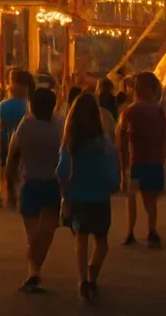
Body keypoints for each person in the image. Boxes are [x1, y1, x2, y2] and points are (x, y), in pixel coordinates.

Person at [58, 92, 117, 301]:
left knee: (81, 240)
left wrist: (65, 193)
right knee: (102, 242)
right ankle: (93, 273)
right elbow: (112, 168)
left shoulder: (71, 142)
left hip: (78, 197)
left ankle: (82, 280)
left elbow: (62, 170)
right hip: (100, 198)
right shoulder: (103, 141)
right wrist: (113, 185)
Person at [5, 86, 63, 293]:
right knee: (45, 235)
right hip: (53, 184)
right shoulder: (60, 125)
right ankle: (34, 272)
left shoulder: (26, 125)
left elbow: (12, 157)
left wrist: (9, 188)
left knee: (33, 235)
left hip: (30, 183)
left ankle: (33, 272)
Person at [118, 71, 166, 248]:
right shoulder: (159, 112)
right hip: (154, 162)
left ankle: (130, 232)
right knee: (151, 201)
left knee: (131, 197)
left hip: (135, 162)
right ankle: (151, 230)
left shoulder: (130, 111)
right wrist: (163, 156)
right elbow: (165, 136)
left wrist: (122, 164)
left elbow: (121, 138)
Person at [0, 68, 33, 206]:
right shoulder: (28, 105)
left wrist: (2, 148)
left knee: (10, 169)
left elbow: (2, 128)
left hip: (9, 139)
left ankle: (11, 198)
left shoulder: (4, 105)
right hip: (27, 143)